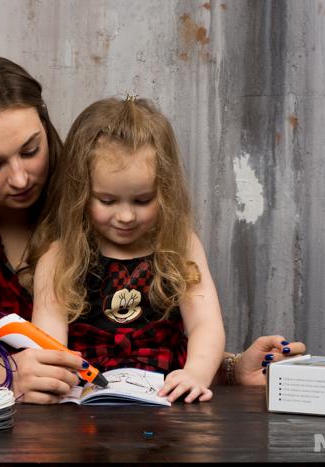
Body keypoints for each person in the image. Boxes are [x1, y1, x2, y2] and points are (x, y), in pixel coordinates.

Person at [0, 55, 305, 403]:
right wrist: (3, 374)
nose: (21, 178)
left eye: (31, 150)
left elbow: (135, 339)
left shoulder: (95, 193)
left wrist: (228, 369)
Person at [30, 96, 224, 403]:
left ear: (164, 190)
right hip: (84, 403)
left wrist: (196, 374)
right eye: (107, 201)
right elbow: (49, 343)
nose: (126, 216)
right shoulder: (59, 256)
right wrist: (53, 382)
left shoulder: (180, 244)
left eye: (143, 200)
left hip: (169, 398)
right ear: (81, 192)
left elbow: (205, 322)